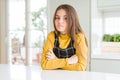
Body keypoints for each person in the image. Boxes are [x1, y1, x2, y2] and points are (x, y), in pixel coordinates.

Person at [40, 4, 88, 71]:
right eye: (57, 18)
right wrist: (68, 61)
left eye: (65, 18)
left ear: (72, 20)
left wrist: (55, 60)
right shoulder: (51, 36)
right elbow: (44, 64)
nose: (60, 21)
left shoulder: (79, 37)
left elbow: (80, 67)